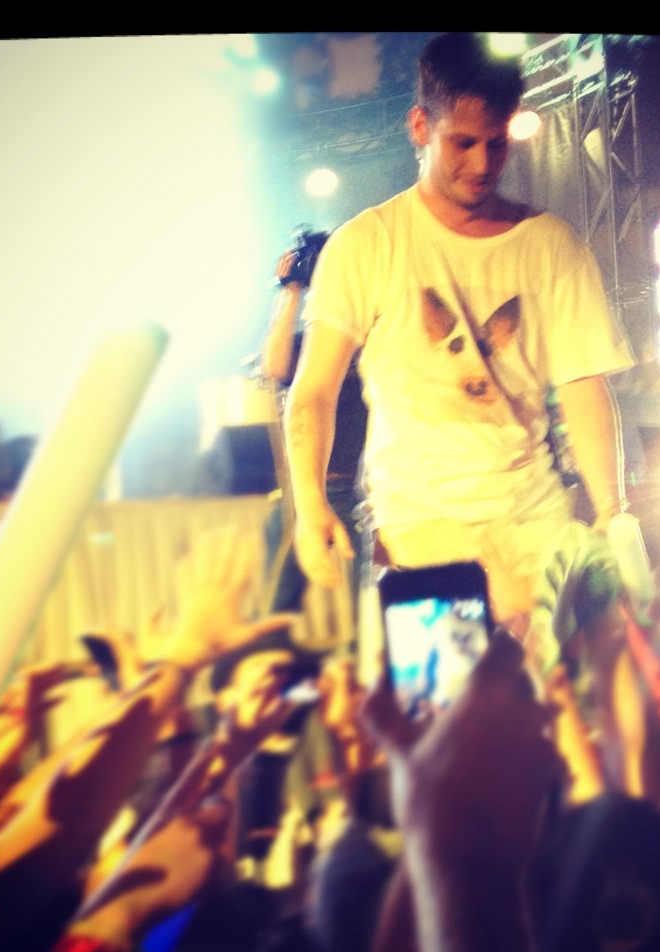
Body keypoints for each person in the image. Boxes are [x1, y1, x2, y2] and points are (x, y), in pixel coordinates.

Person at [284, 32, 635, 623]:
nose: (481, 164)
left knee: (557, 686)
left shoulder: (552, 246)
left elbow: (583, 388)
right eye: (463, 142)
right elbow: (314, 391)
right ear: (420, 126)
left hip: (537, 527)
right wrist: (310, 504)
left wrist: (611, 511)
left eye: (497, 144)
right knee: (442, 687)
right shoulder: (366, 245)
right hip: (418, 532)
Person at [260, 236, 369, 618]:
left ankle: (363, 655)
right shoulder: (311, 342)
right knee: (277, 604)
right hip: (308, 490)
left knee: (367, 604)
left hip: (362, 488)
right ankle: (269, 654)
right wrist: (290, 291)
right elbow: (274, 367)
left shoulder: (370, 327)